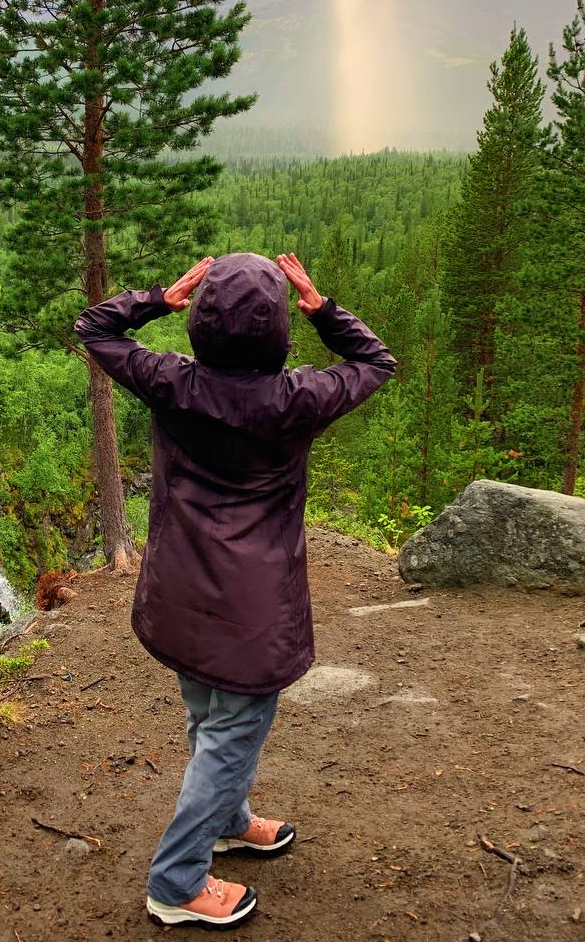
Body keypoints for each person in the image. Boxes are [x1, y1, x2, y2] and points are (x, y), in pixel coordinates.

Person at [73, 251, 397, 929]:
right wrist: (323, 307)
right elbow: (375, 363)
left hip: (179, 597)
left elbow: (96, 330)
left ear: (203, 324)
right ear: (277, 329)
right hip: (253, 614)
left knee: (208, 718)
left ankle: (228, 820)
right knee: (230, 734)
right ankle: (176, 880)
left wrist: (161, 297)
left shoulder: (171, 383)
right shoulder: (297, 399)